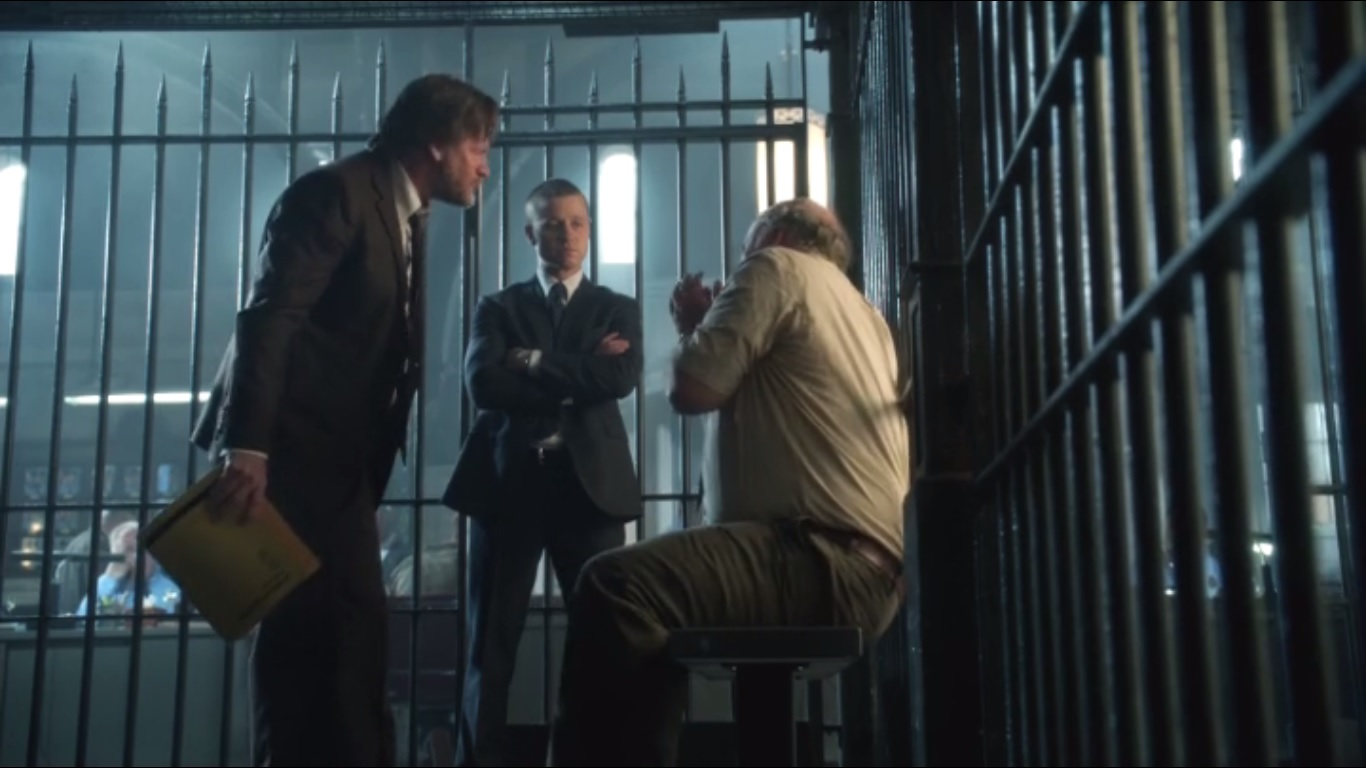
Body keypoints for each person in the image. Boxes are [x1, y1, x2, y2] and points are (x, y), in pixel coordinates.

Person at [191, 73, 497, 767]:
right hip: (295, 458)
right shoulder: (336, 193)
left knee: (339, 637)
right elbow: (270, 318)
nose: (485, 166)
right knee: (319, 638)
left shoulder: (402, 208)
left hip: (338, 464)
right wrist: (249, 447)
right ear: (437, 142)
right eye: (478, 147)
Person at [547, 198, 910, 766]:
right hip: (872, 574)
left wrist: (695, 328)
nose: (739, 265)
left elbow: (692, 388)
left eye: (746, 248)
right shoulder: (862, 312)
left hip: (815, 557)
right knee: (658, 600)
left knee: (613, 586)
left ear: (776, 237)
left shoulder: (775, 267)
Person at [443, 178, 643, 766]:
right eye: (553, 225)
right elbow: (484, 384)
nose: (568, 235)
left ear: (590, 229)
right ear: (531, 234)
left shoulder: (616, 307)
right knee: (490, 648)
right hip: (509, 488)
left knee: (602, 644)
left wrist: (531, 362)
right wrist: (578, 373)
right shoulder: (497, 307)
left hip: (589, 492)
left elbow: (619, 379)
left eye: (577, 223)